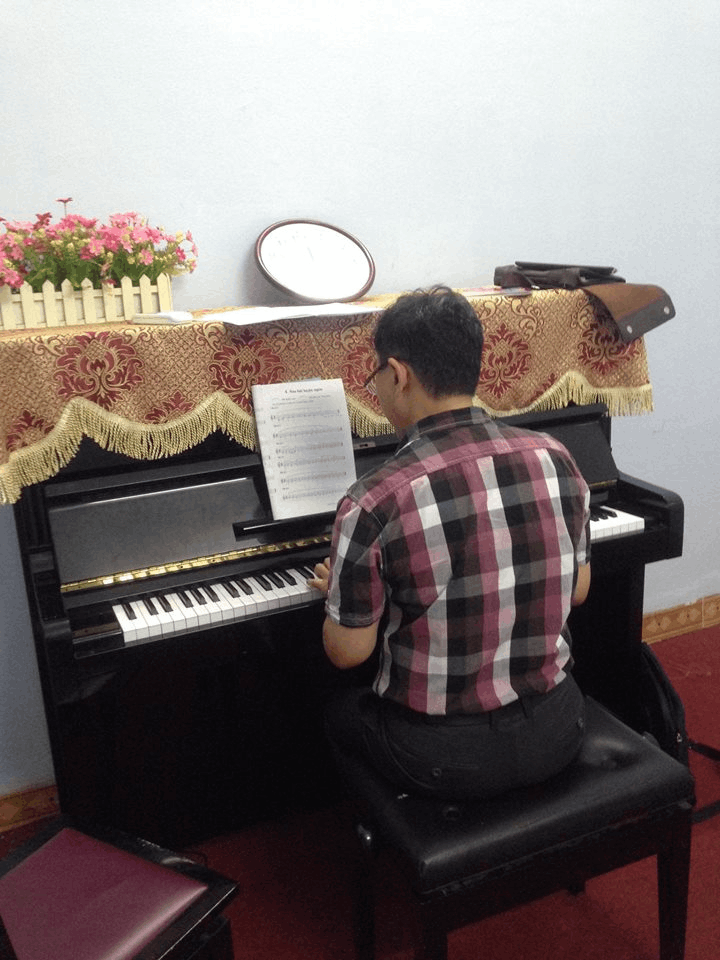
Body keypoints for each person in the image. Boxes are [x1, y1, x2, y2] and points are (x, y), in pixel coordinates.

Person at [309, 285, 591, 800]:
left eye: (376, 376)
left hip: (441, 757)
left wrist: (345, 595)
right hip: (560, 727)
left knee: (332, 711)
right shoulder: (556, 455)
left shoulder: (374, 498)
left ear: (398, 374)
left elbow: (347, 652)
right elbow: (578, 590)